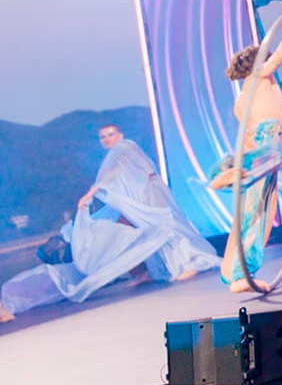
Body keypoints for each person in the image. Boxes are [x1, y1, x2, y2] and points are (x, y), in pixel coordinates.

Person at [0, 124, 219, 321]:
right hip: (141, 196)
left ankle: (189, 262)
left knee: (162, 228)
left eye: (110, 135)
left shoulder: (124, 148)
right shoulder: (119, 152)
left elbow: (108, 176)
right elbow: (116, 176)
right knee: (136, 235)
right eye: (102, 137)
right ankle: (145, 271)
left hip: (148, 195)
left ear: (120, 134)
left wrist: (90, 194)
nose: (106, 139)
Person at [213, 28, 282, 292]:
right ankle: (228, 175)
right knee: (254, 211)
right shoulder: (257, 80)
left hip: (272, 145)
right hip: (265, 146)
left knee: (260, 213)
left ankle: (243, 272)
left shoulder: (261, 90)